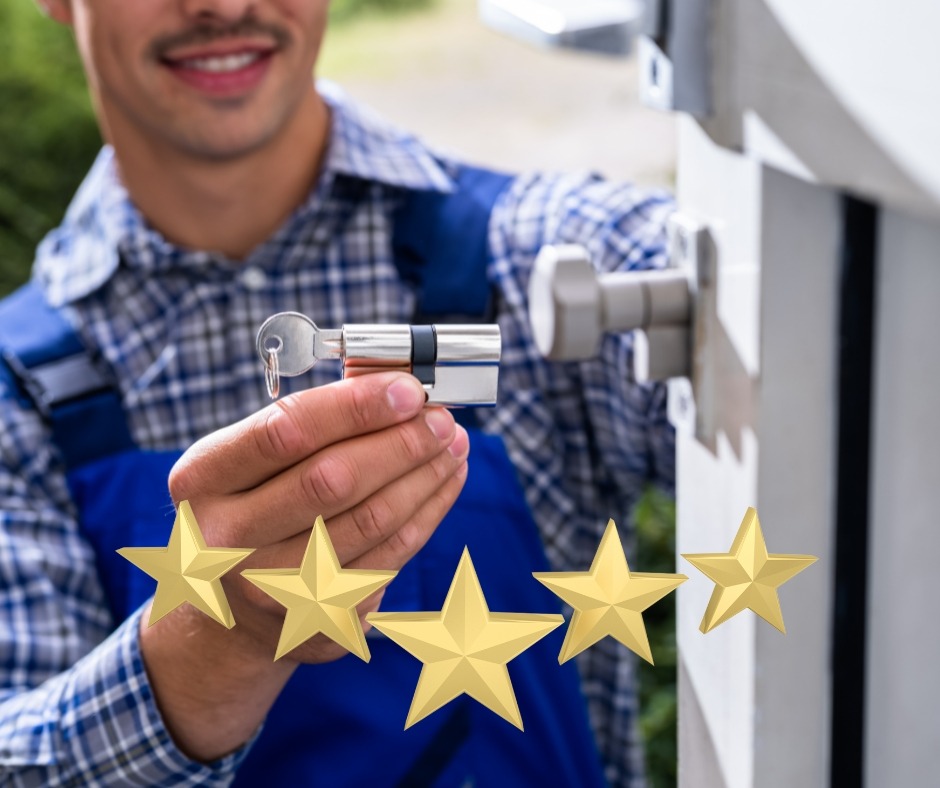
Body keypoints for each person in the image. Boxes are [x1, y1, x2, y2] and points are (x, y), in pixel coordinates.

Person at [0, 0, 674, 786]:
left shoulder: (550, 265)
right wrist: (219, 639)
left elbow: (772, 336)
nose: (223, 6)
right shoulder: (20, 395)